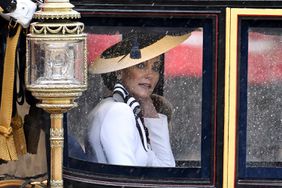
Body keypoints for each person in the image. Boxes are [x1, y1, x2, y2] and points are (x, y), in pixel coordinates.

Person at [86, 31, 191, 167]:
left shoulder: (124, 108)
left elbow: (165, 167)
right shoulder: (118, 111)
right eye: (141, 65)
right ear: (119, 71)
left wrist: (149, 107)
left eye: (155, 67)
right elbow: (125, 178)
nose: (150, 75)